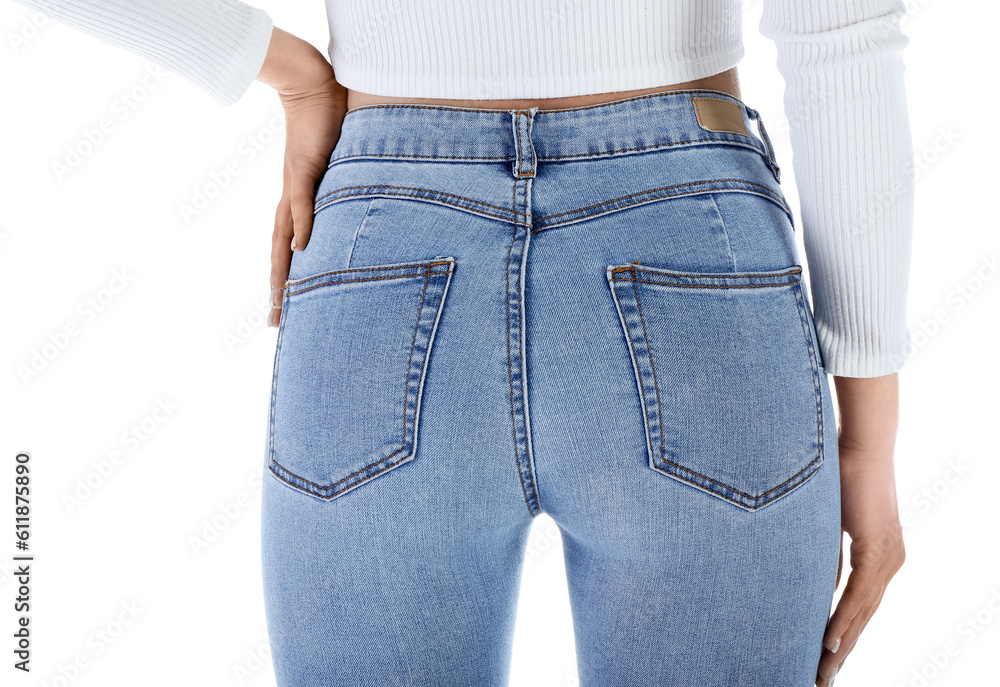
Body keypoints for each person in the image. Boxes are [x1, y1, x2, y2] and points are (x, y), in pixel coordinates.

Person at [12, 1, 911, 685]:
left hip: (388, 238)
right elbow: (843, 35)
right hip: (689, 248)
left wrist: (280, 67)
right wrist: (868, 436)